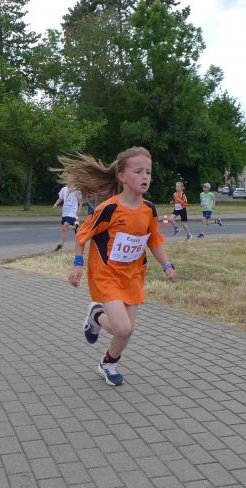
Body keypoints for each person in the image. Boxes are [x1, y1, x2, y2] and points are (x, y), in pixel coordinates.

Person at [59, 147, 177, 386]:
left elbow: (154, 241)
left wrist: (167, 265)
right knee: (122, 328)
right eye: (138, 171)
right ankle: (98, 317)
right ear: (122, 177)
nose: (145, 177)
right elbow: (82, 236)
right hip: (106, 275)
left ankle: (107, 360)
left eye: (148, 172)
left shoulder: (149, 209)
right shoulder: (109, 209)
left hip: (132, 276)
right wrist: (78, 264)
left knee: (126, 330)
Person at [52, 184, 82, 251]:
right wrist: (56, 204)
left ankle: (60, 245)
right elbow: (60, 198)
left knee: (65, 225)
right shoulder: (63, 189)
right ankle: (74, 227)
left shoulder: (77, 190)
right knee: (64, 228)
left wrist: (79, 209)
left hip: (73, 210)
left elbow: (80, 201)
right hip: (65, 211)